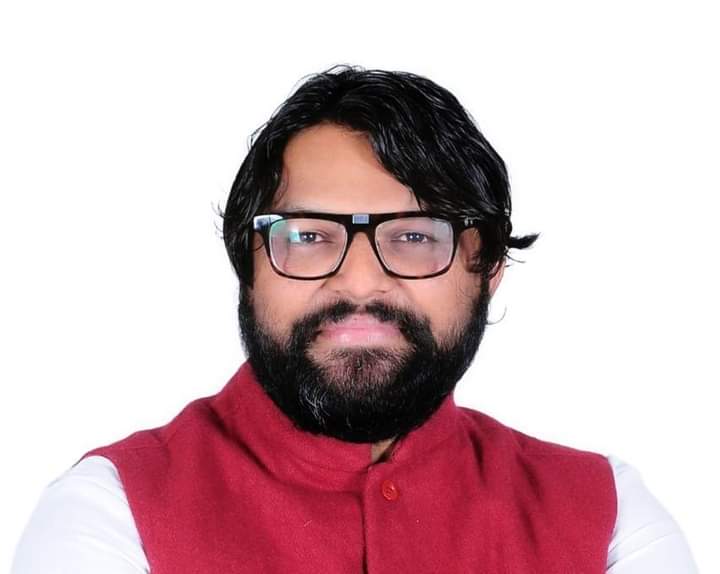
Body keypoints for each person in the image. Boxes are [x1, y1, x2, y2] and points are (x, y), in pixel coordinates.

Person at [12, 66, 698, 573]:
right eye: (309, 236)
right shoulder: (109, 512)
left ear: (487, 267)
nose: (361, 280)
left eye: (415, 236)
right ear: (247, 263)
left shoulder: (609, 515)